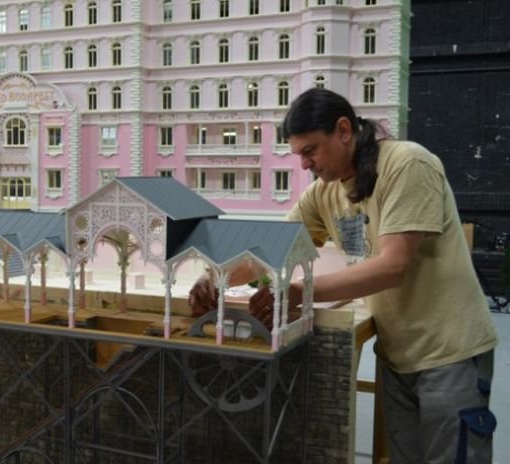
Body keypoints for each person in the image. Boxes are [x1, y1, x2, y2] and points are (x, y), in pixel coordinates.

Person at [188, 88, 498, 463]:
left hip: (451, 353)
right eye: (299, 154)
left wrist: (301, 291)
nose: (305, 164)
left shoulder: (407, 164)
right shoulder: (324, 193)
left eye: (310, 150)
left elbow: (393, 265)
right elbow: (268, 250)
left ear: (344, 130)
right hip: (397, 356)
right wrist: (214, 276)